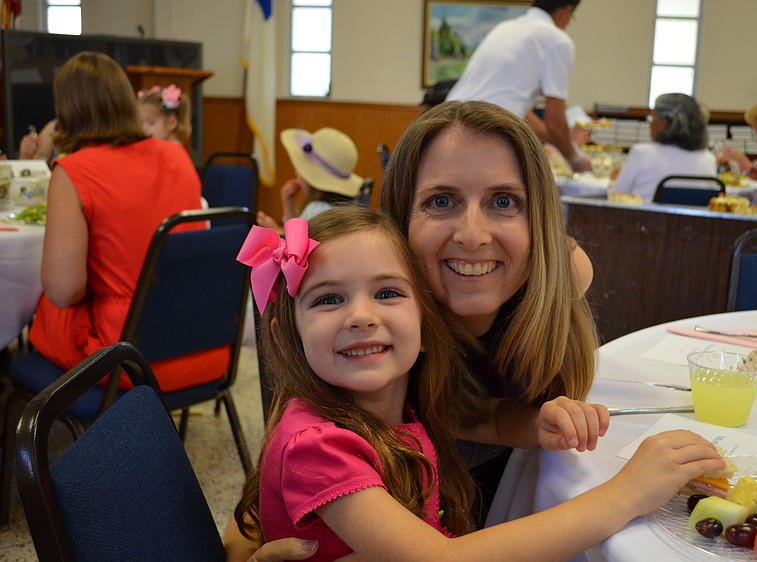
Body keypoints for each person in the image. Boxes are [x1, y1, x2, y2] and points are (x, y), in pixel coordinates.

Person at [223, 101, 720, 561]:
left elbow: (479, 418)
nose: (473, 235)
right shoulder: (360, 364)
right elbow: (282, 479)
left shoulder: (555, 279)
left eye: (504, 200)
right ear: (398, 222)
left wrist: (537, 422)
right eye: (441, 201)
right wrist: (626, 494)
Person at [27, 51, 223, 392]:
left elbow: (63, 290)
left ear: (66, 109)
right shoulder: (177, 155)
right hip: (199, 343)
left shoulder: (74, 171)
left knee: (40, 311)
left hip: (124, 356)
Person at [446, 0, 593, 173]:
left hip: (449, 122)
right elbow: (554, 120)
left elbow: (520, 110)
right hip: (482, 130)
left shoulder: (506, 28)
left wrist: (556, 145)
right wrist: (574, 157)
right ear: (566, 11)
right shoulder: (557, 40)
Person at [610, 93, 717, 203]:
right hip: (693, 215)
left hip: (645, 214)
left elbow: (615, 197)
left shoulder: (642, 153)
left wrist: (618, 179)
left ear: (664, 123)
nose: (650, 124)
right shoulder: (708, 159)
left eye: (651, 118)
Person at [256, 127, 361, 232]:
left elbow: (296, 242)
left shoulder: (317, 209)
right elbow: (297, 232)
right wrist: (289, 208)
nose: (296, 172)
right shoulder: (348, 207)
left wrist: (274, 231)